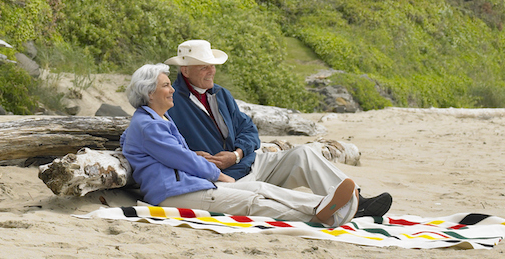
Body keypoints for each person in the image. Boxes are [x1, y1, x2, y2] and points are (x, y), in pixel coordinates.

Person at [163, 39, 392, 219]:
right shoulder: (171, 102)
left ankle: (357, 201)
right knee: (263, 190)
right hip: (226, 181)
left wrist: (237, 154)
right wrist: (202, 160)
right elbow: (169, 148)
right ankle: (333, 207)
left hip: (250, 164)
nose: (211, 71)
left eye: (212, 65)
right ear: (185, 71)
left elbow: (250, 131)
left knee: (304, 153)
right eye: (204, 67)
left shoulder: (221, 94)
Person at [123, 63, 359, 227]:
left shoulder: (157, 119)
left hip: (189, 183)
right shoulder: (150, 124)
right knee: (252, 202)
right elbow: (180, 158)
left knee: (260, 189)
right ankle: (323, 216)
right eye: (165, 85)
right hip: (176, 191)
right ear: (150, 93)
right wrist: (218, 174)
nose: (171, 89)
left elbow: (169, 152)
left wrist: (234, 155)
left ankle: (324, 204)